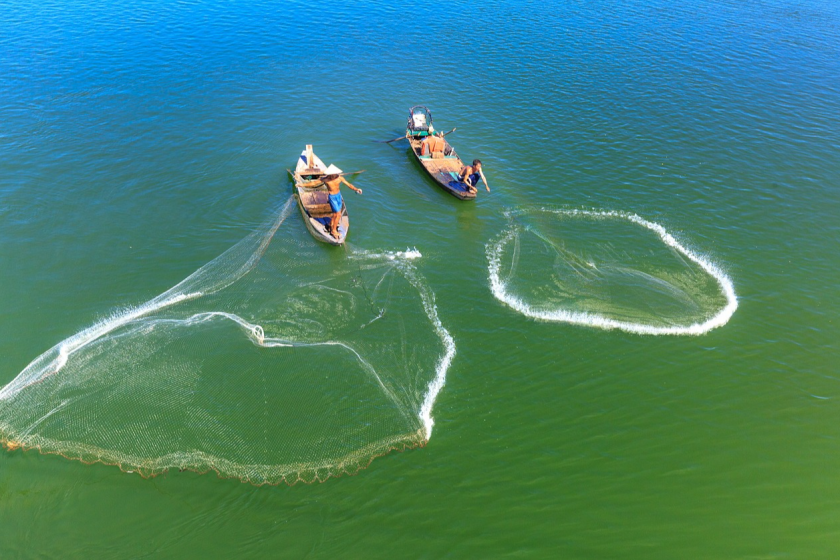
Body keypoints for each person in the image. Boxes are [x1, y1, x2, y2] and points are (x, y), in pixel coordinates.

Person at [322, 172, 362, 239]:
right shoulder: (326, 179)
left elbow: (348, 184)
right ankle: (333, 231)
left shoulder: (339, 177)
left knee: (335, 214)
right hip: (332, 197)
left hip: (338, 195)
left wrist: (356, 189)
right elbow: (314, 183)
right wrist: (303, 184)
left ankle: (330, 224)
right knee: (338, 214)